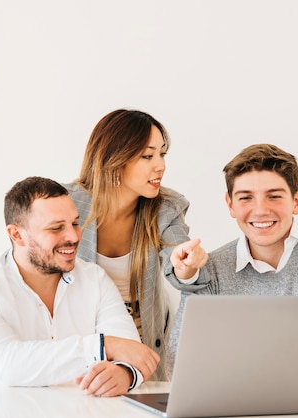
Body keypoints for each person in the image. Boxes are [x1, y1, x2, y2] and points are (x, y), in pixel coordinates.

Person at [167, 144, 298, 392]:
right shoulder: (208, 270)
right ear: (230, 204)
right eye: (245, 197)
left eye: (274, 196)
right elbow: (181, 365)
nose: (260, 210)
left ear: (296, 201)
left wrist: (234, 368)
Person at [0, 176, 160, 397]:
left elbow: (132, 352)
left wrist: (124, 374)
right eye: (56, 228)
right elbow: (7, 364)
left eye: (75, 223)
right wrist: (101, 347)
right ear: (17, 234)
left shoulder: (94, 279)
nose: (73, 236)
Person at [64, 109, 208, 381]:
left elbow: (178, 261)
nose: (161, 165)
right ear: (114, 159)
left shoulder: (167, 208)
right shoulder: (66, 203)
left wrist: (186, 266)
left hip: (140, 351)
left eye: (162, 154)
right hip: (81, 346)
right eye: (148, 156)